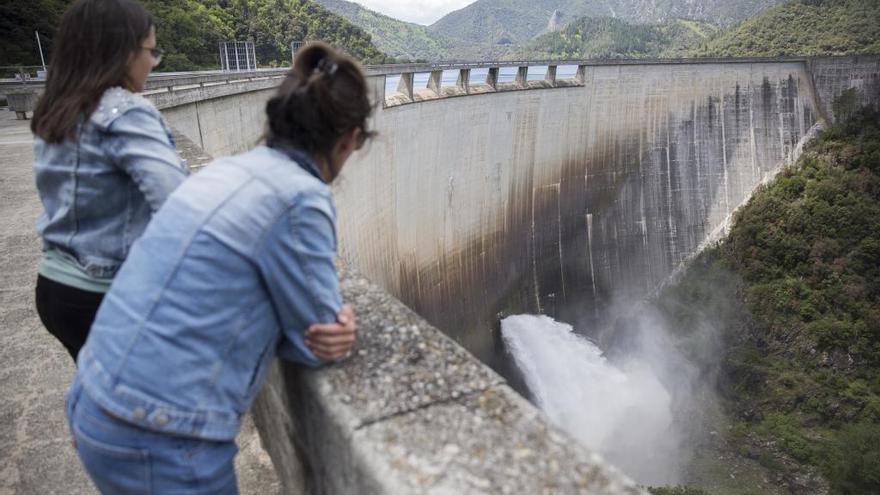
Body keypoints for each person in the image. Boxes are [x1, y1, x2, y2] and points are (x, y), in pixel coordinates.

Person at [66, 42, 369, 494]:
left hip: (93, 399)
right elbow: (318, 337)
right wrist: (337, 331)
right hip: (158, 434)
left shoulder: (222, 171)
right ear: (349, 140)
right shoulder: (301, 198)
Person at [31, 0, 188, 361]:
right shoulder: (125, 111)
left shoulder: (56, 109)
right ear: (124, 52)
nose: (153, 62)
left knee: (104, 399)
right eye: (151, 51)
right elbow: (180, 205)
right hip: (106, 295)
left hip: (57, 287)